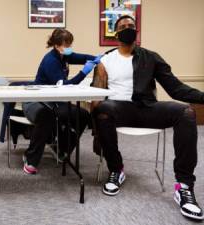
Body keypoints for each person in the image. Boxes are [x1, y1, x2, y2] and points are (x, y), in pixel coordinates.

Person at [91, 15, 204, 220]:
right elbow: (96, 95)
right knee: (104, 109)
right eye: (123, 26)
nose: (128, 28)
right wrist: (96, 130)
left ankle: (184, 187)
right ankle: (116, 169)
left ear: (137, 31)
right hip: (119, 109)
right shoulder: (106, 60)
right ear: (116, 33)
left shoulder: (151, 57)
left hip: (147, 108)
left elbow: (176, 89)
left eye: (131, 26)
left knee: (186, 112)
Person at [22, 28, 101, 174]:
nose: (69, 48)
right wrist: (84, 72)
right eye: (66, 45)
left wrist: (97, 58)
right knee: (46, 116)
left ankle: (62, 150)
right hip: (34, 101)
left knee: (83, 115)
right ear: (57, 45)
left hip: (53, 101)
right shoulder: (51, 61)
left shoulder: (63, 56)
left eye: (70, 44)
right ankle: (30, 159)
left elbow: (80, 57)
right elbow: (65, 87)